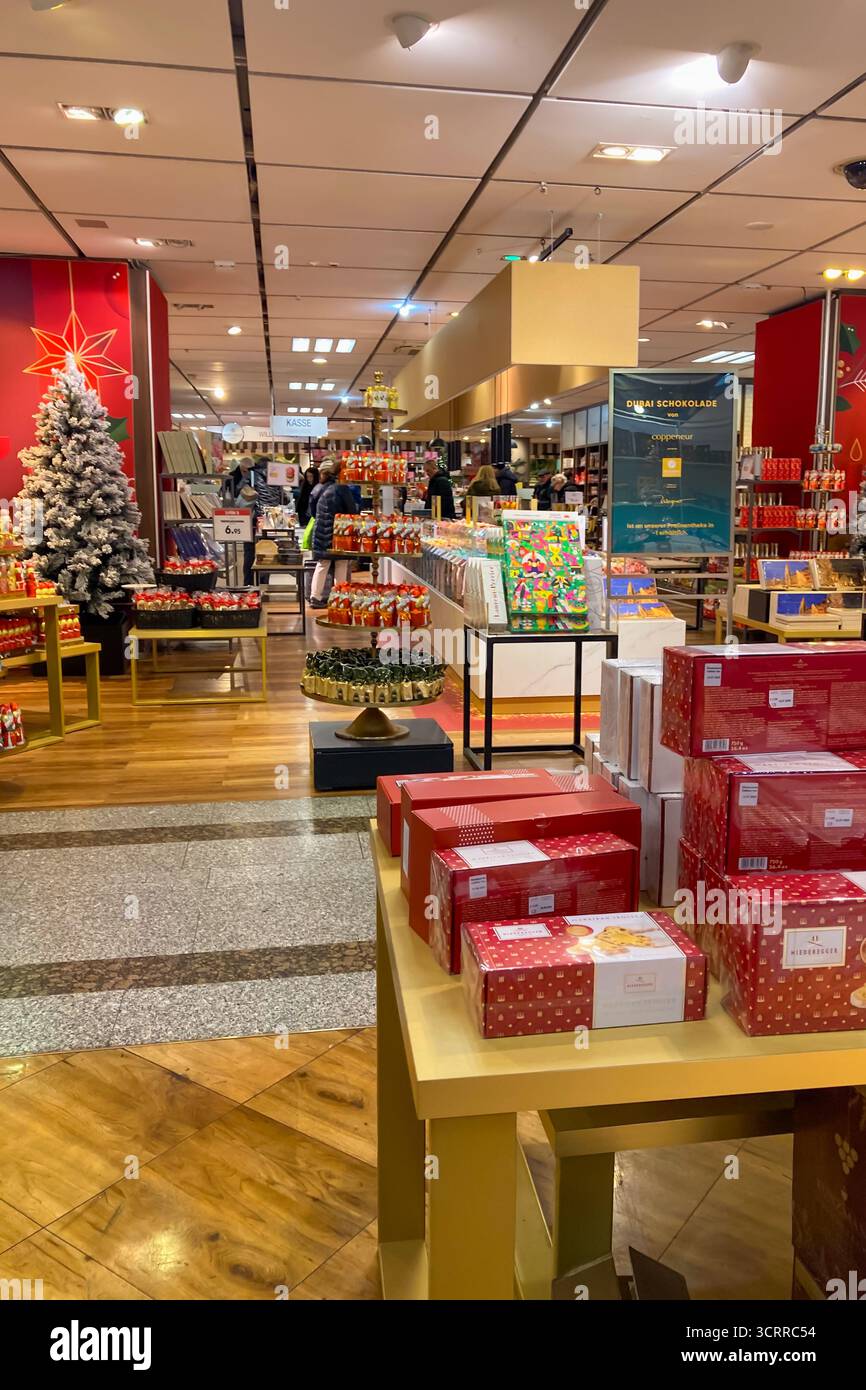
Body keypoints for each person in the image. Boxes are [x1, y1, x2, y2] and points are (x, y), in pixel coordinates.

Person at [309, 460, 359, 607]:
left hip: (320, 531)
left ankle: (315, 597)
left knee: (322, 564)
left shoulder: (319, 487)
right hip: (338, 533)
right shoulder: (342, 488)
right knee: (341, 564)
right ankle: (340, 597)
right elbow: (352, 512)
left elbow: (312, 511)